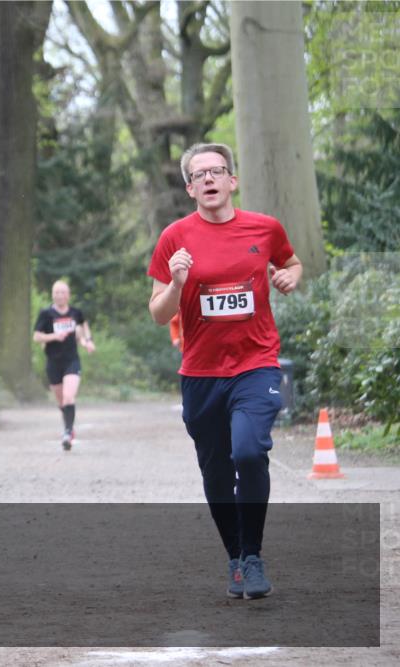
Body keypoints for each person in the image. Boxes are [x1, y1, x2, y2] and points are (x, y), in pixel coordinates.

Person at [147, 142, 302, 600]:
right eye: (199, 175)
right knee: (216, 472)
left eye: (217, 171)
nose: (209, 179)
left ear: (232, 180)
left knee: (249, 452)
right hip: (201, 373)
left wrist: (290, 276)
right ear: (190, 188)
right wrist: (176, 283)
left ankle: (253, 555)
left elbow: (291, 263)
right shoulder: (174, 238)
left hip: (256, 364)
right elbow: (158, 313)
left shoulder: (265, 228)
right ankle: (235, 557)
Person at [33, 280, 96, 450]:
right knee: (62, 402)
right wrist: (54, 336)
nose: (59, 295)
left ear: (68, 295)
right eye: (56, 292)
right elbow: (37, 336)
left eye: (63, 292)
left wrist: (87, 341)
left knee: (69, 397)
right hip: (53, 363)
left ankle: (67, 432)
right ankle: (69, 425)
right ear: (52, 295)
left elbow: (83, 326)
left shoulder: (76, 313)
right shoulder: (46, 314)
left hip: (71, 361)